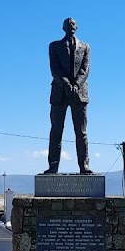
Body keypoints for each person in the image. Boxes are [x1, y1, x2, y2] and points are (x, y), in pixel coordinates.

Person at [44, 17, 93, 174]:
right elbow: (55, 69)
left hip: (79, 93)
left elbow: (85, 70)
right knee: (56, 131)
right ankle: (53, 166)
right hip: (59, 92)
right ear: (63, 28)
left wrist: (76, 85)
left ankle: (84, 166)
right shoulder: (54, 46)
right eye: (68, 24)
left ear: (77, 27)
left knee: (81, 131)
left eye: (73, 24)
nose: (71, 26)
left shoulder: (85, 47)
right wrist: (66, 84)